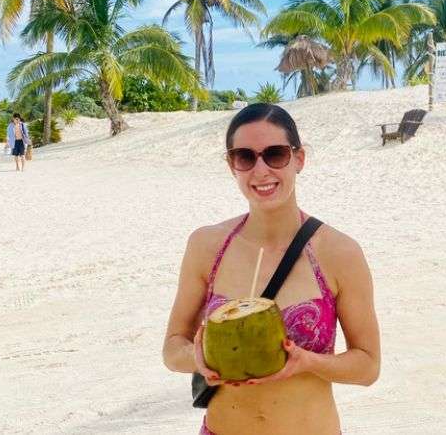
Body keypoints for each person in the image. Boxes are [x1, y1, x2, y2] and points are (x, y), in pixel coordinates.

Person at [163, 103, 380, 435]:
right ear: (231, 165)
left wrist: (308, 362)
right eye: (245, 157)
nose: (260, 170)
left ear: (299, 159)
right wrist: (199, 357)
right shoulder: (206, 246)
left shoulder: (339, 253)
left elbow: (367, 366)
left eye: (275, 154)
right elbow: (172, 348)